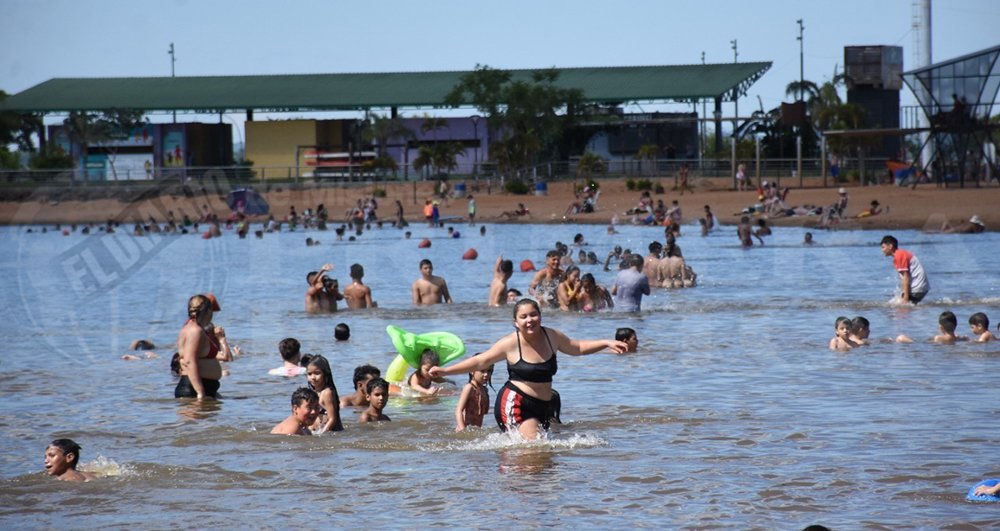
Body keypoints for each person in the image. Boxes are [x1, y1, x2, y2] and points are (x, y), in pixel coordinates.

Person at [429, 299, 628, 439]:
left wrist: (605, 342)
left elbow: (577, 347)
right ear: (516, 323)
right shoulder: (509, 343)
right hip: (516, 402)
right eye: (523, 317)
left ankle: (532, 496)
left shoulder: (552, 336)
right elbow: (481, 361)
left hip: (543, 405)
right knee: (534, 449)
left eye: (533, 314)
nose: (529, 320)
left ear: (540, 316)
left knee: (541, 460)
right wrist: (446, 371)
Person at [175, 294, 223, 399]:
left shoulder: (191, 328)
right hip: (194, 391)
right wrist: (200, 392)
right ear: (207, 311)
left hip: (201, 388)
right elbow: (189, 361)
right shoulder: (195, 331)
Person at [880, 235, 930, 304]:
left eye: (883, 247)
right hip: (919, 287)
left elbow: (905, 277)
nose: (882, 250)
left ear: (890, 246)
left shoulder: (899, 255)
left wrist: (905, 298)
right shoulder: (900, 255)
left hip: (917, 288)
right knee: (895, 305)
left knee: (902, 309)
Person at [305, 355, 343, 433]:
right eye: (309, 374)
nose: (313, 377)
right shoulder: (313, 393)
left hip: (331, 433)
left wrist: (322, 435)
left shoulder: (327, 393)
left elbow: (332, 419)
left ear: (325, 374)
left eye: (317, 373)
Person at [455, 363, 493, 431]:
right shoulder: (469, 388)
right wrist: (463, 431)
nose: (486, 374)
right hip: (464, 429)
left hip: (476, 430)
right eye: (482, 371)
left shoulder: (484, 390)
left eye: (489, 371)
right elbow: (458, 411)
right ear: (471, 371)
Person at [896, 311, 966, 344]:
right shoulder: (961, 338)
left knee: (901, 337)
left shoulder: (938, 338)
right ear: (956, 324)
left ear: (941, 327)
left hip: (920, 343)